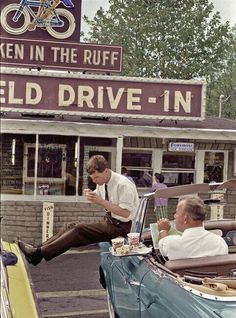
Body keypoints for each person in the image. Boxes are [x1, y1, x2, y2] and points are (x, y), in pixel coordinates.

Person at [18, 155, 140, 266]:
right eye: (92, 178)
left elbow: (126, 213)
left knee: (79, 229)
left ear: (106, 171)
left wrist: (101, 201)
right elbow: (101, 195)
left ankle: (38, 254)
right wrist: (91, 194)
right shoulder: (103, 181)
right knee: (70, 226)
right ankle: (38, 249)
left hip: (124, 228)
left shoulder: (123, 185)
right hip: (111, 222)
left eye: (96, 177)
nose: (94, 181)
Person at [157, 195, 228, 260]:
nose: (174, 216)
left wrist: (163, 230)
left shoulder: (172, 243)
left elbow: (162, 244)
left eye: (177, 213)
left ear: (185, 219)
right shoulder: (220, 242)